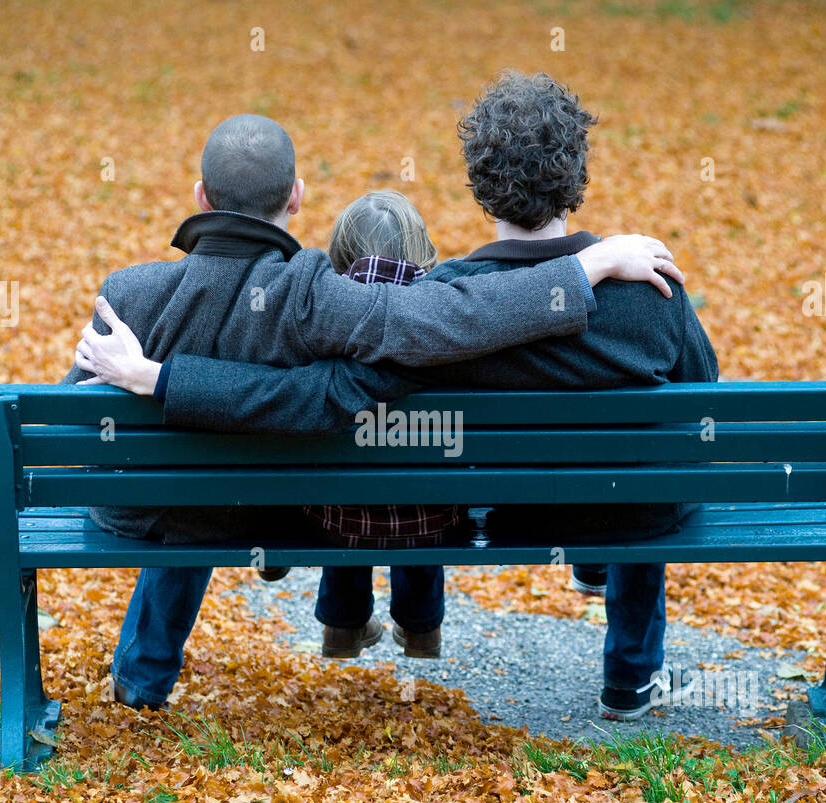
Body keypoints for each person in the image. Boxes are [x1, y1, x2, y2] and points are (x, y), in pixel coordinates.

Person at [85, 73, 718, 721]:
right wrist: (590, 265)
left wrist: (156, 380)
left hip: (175, 512)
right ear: (295, 196)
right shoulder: (646, 293)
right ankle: (629, 671)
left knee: (189, 494)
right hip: (606, 509)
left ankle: (143, 675)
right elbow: (702, 391)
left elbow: (79, 423)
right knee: (643, 485)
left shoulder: (127, 292)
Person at [304, 192, 455, 659]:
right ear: (420, 245)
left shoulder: (321, 312)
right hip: (431, 513)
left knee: (346, 491)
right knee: (421, 492)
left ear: (341, 251)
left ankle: (342, 627)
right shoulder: (451, 312)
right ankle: (421, 628)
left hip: (339, 513)